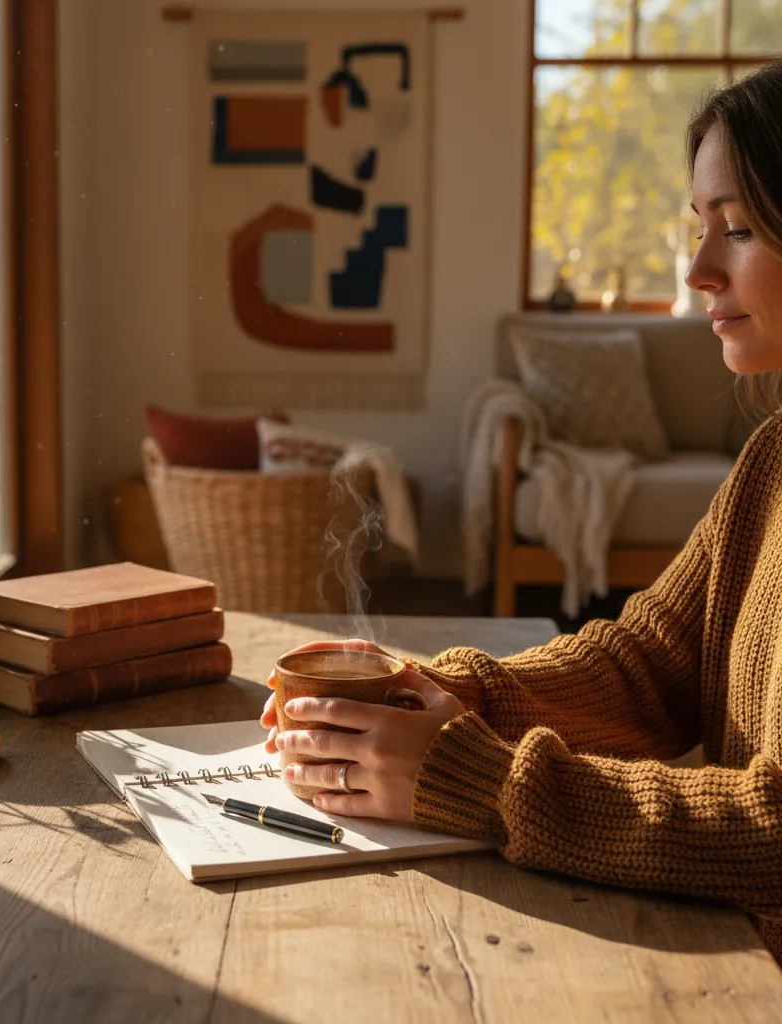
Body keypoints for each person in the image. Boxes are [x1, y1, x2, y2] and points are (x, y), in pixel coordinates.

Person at [260, 60, 782, 964]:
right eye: (699, 227)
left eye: (735, 229)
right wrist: (448, 694)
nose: (699, 270)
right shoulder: (771, 458)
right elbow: (650, 663)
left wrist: (482, 781)